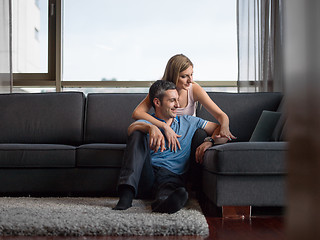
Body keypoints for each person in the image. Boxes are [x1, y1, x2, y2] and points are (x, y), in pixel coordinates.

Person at [113, 80, 228, 214]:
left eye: (177, 100)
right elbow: (131, 128)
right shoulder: (149, 121)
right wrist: (151, 127)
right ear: (157, 102)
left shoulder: (188, 122)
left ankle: (163, 203)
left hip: (170, 176)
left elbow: (222, 131)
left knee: (170, 191)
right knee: (137, 133)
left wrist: (210, 141)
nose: (178, 105)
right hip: (146, 175)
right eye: (172, 101)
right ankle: (126, 196)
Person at [132, 54, 236, 160]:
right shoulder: (161, 90)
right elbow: (137, 113)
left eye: (191, 74)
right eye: (184, 76)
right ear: (174, 75)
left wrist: (223, 129)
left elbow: (221, 115)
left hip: (185, 140)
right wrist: (163, 126)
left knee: (200, 134)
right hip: (164, 137)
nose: (190, 80)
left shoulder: (194, 89)